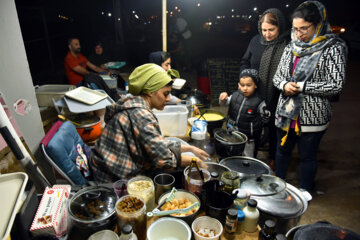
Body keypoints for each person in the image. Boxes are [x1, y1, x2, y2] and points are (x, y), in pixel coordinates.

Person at [272, 1, 347, 192]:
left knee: (307, 156)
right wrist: (284, 85)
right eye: (296, 29)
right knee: (282, 151)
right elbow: (278, 76)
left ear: (318, 24)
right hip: (287, 111)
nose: (299, 34)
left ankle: (305, 191)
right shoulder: (292, 45)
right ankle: (277, 186)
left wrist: (303, 87)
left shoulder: (332, 48)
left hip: (312, 114)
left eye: (304, 28)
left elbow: (335, 85)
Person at [90, 64, 209, 182]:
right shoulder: (141, 116)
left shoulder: (132, 102)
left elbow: (157, 144)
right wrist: (195, 161)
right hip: (111, 178)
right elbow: (165, 160)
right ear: (151, 91)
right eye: (165, 94)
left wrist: (190, 148)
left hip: (111, 167)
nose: (168, 99)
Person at [240, 8, 290, 167]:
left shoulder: (287, 44)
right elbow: (245, 61)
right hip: (255, 92)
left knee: (275, 126)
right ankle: (251, 153)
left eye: (271, 30)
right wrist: (246, 78)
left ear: (280, 27)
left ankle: (273, 157)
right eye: (264, 30)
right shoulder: (255, 41)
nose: (267, 34)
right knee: (252, 123)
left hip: (276, 93)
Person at [219, 69, 270, 157]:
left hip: (249, 138)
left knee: (248, 156)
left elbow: (265, 119)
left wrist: (256, 128)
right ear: (239, 85)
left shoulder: (259, 101)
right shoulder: (235, 95)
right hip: (233, 132)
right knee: (232, 152)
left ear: (255, 85)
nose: (245, 88)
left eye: (249, 85)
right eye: (242, 85)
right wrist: (222, 98)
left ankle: (249, 169)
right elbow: (223, 103)